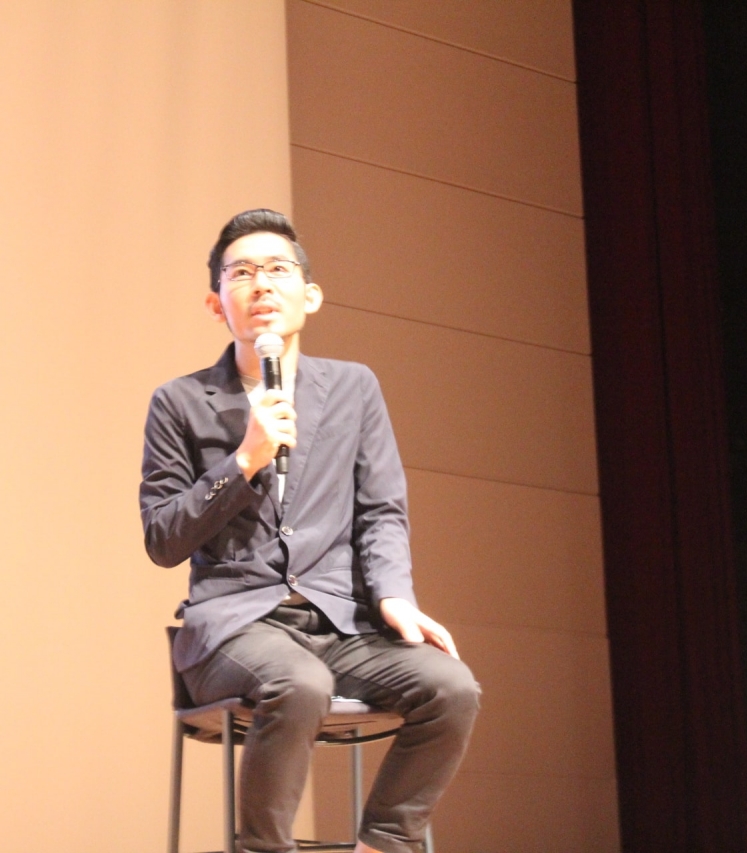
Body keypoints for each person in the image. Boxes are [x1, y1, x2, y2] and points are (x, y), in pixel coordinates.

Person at [140, 209, 479, 853]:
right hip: (233, 630)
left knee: (452, 688)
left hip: (340, 624)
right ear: (216, 303)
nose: (261, 284)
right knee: (299, 685)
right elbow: (162, 538)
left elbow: (381, 510)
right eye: (241, 273)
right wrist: (245, 460)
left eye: (277, 269)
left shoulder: (354, 387)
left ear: (311, 294)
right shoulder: (179, 402)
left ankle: (384, 842)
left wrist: (394, 596)